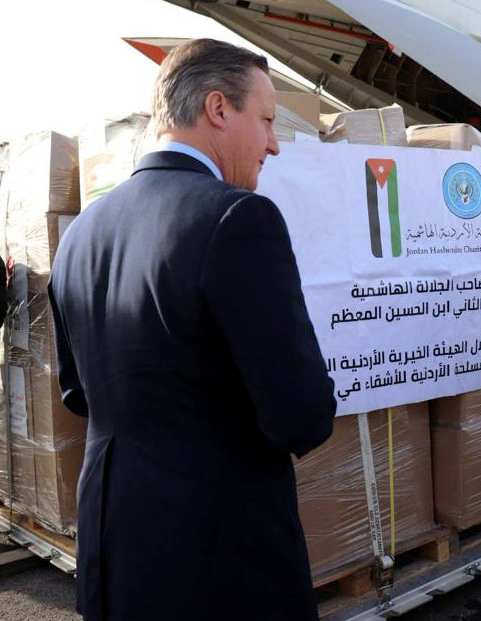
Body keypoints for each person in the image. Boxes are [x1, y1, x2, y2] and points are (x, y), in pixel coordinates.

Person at [48, 39, 336, 621]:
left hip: (112, 552)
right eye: (267, 121)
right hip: (217, 561)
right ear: (217, 108)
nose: (274, 144)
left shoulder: (79, 234)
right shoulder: (237, 217)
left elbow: (77, 393)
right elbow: (301, 415)